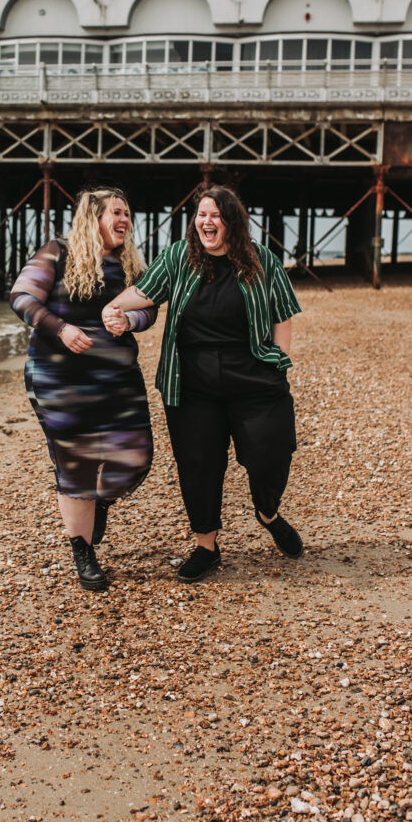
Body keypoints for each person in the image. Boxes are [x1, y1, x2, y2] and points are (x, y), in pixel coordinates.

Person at [103, 183, 303, 583]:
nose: (206, 222)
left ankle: (267, 511)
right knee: (198, 466)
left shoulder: (261, 259)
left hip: (253, 374)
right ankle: (206, 546)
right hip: (191, 382)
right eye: (201, 215)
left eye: (215, 216)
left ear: (231, 222)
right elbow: (145, 292)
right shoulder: (180, 256)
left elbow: (283, 311)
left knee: (272, 452)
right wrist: (113, 306)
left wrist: (279, 361)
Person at [9, 187, 157, 592]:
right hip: (59, 378)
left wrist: (132, 322)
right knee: (77, 464)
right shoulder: (57, 252)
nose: (125, 220)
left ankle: (101, 501)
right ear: (92, 217)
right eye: (116, 213)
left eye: (128, 213)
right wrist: (61, 328)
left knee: (137, 456)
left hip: (117, 378)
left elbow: (150, 308)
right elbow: (21, 297)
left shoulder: (129, 263)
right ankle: (83, 552)